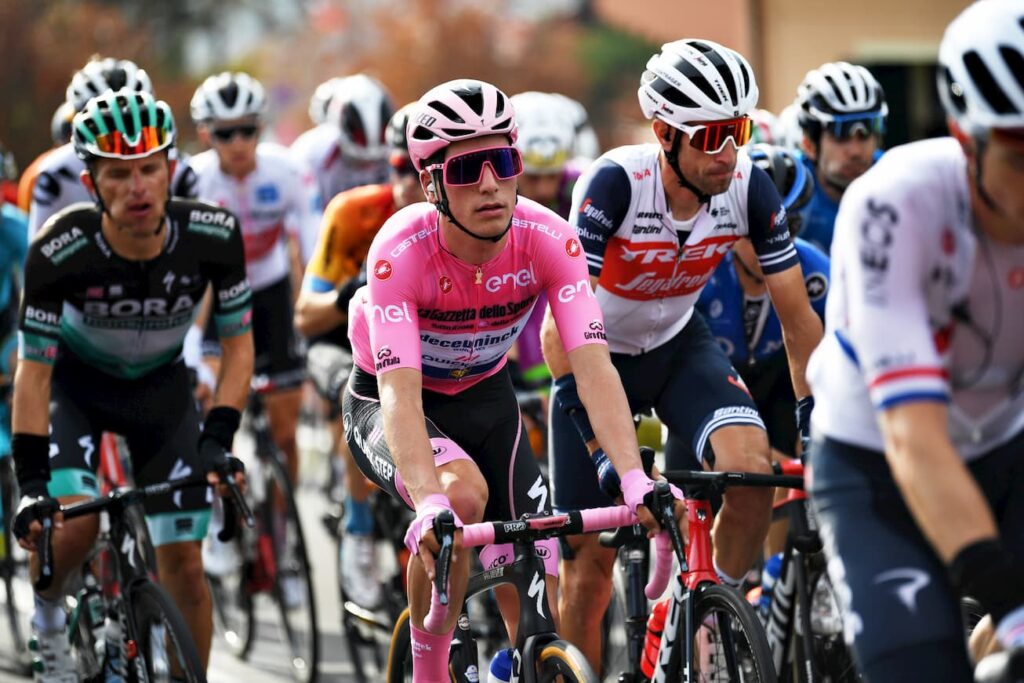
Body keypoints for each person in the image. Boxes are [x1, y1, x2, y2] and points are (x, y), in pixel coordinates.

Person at [341, 78, 683, 683]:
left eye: (502, 162)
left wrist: (633, 478)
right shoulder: (400, 249)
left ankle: (514, 668)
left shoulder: (550, 238)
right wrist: (430, 502)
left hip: (487, 397)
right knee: (460, 500)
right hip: (395, 402)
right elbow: (399, 393)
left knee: (540, 586)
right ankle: (429, 667)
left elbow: (593, 367)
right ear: (431, 184)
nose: (489, 184)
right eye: (466, 169)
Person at [541, 39, 825, 671]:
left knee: (751, 476)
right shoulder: (615, 184)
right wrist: (598, 445)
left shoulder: (747, 186)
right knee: (587, 569)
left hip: (677, 347)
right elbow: (561, 331)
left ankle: (704, 611)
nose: (728, 153)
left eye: (738, 132)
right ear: (665, 134)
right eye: (712, 136)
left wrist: (814, 424)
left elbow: (798, 317)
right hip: (595, 359)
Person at [806, 2, 1024, 681]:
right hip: (876, 458)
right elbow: (914, 439)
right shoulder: (893, 203)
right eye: (1020, 157)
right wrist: (1011, 603)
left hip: (1004, 442)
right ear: (967, 139)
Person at [10, 88, 254, 680]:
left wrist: (219, 438)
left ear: (171, 168)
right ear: (90, 183)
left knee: (186, 568)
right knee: (72, 529)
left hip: (161, 396)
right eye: (118, 174)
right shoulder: (60, 248)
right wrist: (32, 484)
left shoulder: (214, 234)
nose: (138, 187)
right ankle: (49, 623)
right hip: (76, 392)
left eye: (149, 168)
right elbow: (34, 372)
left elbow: (239, 346)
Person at [293, 103, 422, 609]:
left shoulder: (460, 224)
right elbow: (305, 316)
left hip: (411, 349)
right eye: (400, 169)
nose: (410, 184)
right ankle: (360, 528)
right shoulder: (351, 212)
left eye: (421, 170)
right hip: (339, 344)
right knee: (367, 402)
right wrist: (349, 290)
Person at [189, 71, 319, 498]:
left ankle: (284, 527)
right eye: (225, 133)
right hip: (215, 299)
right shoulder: (192, 180)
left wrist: (313, 305)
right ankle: (224, 513)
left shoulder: (287, 170)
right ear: (205, 134)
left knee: (285, 434)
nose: (238, 142)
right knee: (213, 417)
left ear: (261, 127)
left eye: (247, 130)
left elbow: (312, 245)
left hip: (270, 291)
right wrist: (190, 338)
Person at [697, 143, 825, 463]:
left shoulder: (818, 272)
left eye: (786, 228)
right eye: (752, 227)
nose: (767, 242)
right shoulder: (701, 267)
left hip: (781, 388)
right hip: (709, 386)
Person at [27, 57, 199, 240]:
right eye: (103, 122)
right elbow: (39, 245)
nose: (121, 133)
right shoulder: (53, 174)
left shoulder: (182, 170)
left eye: (149, 169)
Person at [289, 72, 395, 252]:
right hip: (328, 238)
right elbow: (303, 223)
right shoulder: (308, 154)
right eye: (357, 161)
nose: (367, 167)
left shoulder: (398, 145)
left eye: (375, 161)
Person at [795, 61, 888, 253]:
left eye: (865, 133)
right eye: (840, 135)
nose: (855, 151)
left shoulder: (895, 180)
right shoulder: (788, 189)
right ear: (809, 145)